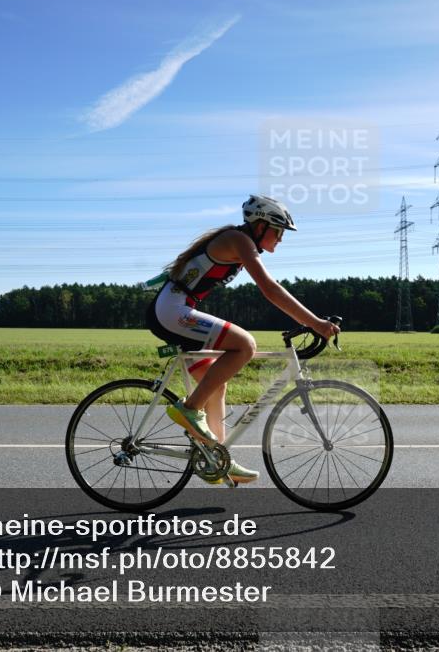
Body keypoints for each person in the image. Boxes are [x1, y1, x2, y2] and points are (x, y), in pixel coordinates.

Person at [144, 195, 340, 485]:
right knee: (245, 345)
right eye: (279, 230)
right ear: (260, 226)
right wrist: (316, 323)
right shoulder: (239, 240)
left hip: (174, 309)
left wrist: (311, 322)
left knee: (217, 384)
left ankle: (216, 457)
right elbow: (270, 289)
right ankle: (188, 409)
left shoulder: (238, 240)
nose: (281, 238)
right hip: (173, 311)